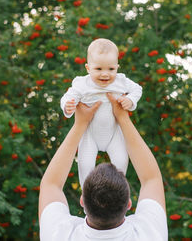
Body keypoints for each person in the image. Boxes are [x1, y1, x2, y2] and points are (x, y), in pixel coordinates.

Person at [39, 93, 168, 240]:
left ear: (82, 201)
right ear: (128, 204)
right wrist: (122, 118)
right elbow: (151, 178)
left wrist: (80, 124)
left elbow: (50, 184)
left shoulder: (59, 234)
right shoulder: (149, 234)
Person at [60, 38, 142, 186]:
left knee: (121, 160)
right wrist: (68, 105)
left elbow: (137, 89)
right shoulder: (82, 83)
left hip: (114, 132)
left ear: (117, 67)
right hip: (90, 133)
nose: (105, 74)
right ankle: (86, 195)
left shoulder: (120, 81)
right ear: (88, 68)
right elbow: (68, 96)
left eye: (111, 69)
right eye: (98, 69)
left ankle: (120, 190)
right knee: (85, 164)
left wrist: (130, 100)